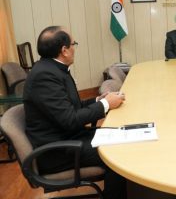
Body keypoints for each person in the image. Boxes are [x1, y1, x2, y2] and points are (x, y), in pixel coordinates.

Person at [23, 26, 127, 199]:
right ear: (64, 50)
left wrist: (98, 100)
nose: (74, 48)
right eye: (74, 44)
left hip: (70, 138)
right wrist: (105, 105)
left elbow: (71, 107)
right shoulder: (45, 76)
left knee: (122, 135)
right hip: (58, 151)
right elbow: (70, 119)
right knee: (117, 152)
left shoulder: (52, 68)